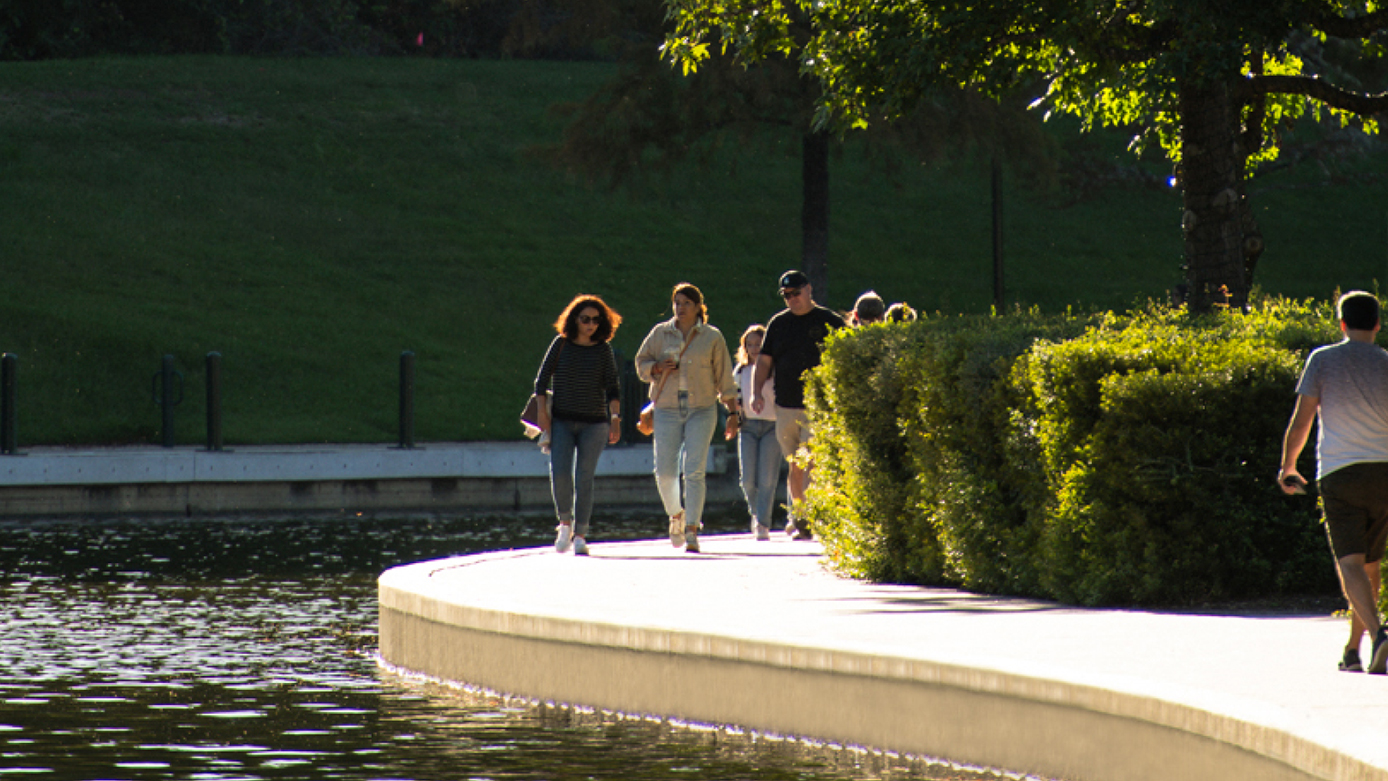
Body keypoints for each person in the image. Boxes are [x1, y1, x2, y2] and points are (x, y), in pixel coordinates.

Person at [1279, 290, 1388, 674]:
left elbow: (1303, 418)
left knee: (1350, 564)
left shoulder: (1322, 360)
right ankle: (1353, 650)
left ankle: (1379, 634)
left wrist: (1288, 466)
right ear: (1377, 323)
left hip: (1340, 473)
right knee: (1370, 565)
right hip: (1383, 473)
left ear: (1341, 324)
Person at [636, 283, 739, 553]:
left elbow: (724, 377)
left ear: (698, 308)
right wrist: (656, 367)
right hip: (667, 407)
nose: (680, 308)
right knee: (665, 471)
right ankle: (676, 515)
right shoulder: (660, 333)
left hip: (701, 408)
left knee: (694, 469)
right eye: (677, 303)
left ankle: (692, 527)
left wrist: (732, 412)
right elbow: (640, 363)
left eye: (686, 303)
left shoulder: (712, 337)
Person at [751, 270, 847, 539]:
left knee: (812, 459)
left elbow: (847, 354)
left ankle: (810, 517)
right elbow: (765, 361)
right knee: (795, 463)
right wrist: (755, 392)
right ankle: (800, 514)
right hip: (786, 403)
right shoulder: (779, 324)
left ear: (808, 290)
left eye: (796, 293)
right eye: (787, 295)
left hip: (818, 405)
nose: (792, 299)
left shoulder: (829, 321)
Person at [533, 295, 623, 556]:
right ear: (574, 319)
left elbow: (613, 388)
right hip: (561, 420)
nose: (591, 325)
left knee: (585, 477)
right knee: (560, 472)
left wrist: (615, 419)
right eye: (585, 319)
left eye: (596, 320)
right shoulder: (561, 344)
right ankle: (564, 523)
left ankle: (581, 534)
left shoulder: (603, 349)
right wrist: (542, 414)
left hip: (594, 424)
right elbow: (541, 381)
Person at [733, 324, 781, 541]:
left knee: (767, 478)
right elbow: (733, 399)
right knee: (747, 480)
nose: (753, 349)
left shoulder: (775, 370)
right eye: (749, 344)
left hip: (772, 426)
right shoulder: (740, 371)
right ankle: (756, 514)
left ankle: (763, 523)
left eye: (758, 344)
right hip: (748, 427)